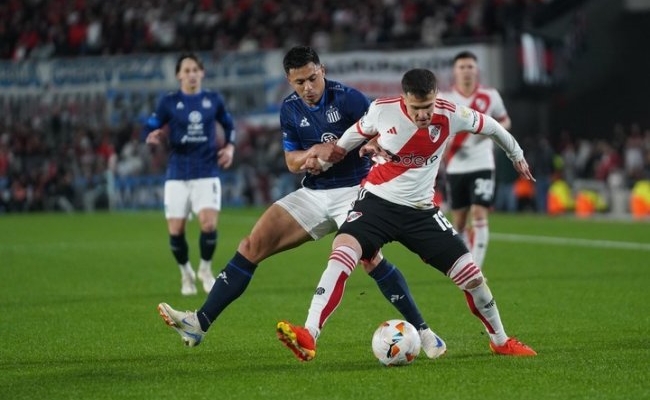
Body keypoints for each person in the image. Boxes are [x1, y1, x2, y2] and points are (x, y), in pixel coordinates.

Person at [156, 46, 446, 361]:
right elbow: (292, 162)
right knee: (252, 244)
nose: (307, 88)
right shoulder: (290, 108)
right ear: (289, 80)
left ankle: (426, 333)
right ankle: (200, 322)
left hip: (357, 191)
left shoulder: (349, 98)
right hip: (313, 194)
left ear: (322, 70)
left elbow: (381, 136)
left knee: (370, 259)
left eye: (312, 78)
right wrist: (312, 154)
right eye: (299, 82)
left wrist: (357, 148)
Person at [278, 68, 537, 359]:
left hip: (421, 213)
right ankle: (309, 334)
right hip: (376, 203)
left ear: (436, 98)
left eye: (427, 107)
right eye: (416, 108)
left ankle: (500, 340)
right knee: (343, 251)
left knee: (473, 278)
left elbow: (493, 127)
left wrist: (517, 156)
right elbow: (349, 139)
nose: (423, 114)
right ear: (404, 99)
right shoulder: (381, 110)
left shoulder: (452, 114)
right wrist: (326, 162)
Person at [142, 53, 236, 296]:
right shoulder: (169, 102)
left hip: (206, 170)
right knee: (176, 231)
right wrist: (151, 134)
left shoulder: (213, 99)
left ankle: (205, 269)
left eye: (195, 69)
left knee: (208, 224)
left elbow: (228, 124)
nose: (191, 74)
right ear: (178, 75)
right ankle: (185, 273)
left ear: (202, 72)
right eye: (187, 70)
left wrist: (230, 147)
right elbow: (151, 124)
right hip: (177, 173)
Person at [438, 51, 512, 269]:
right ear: (455, 71)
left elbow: (505, 121)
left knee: (479, 212)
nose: (466, 71)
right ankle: (464, 261)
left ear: (476, 70)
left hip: (482, 162)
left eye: (470, 66)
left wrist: (491, 131)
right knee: (459, 221)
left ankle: (475, 269)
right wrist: (445, 141)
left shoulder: (490, 96)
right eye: (462, 67)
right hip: (456, 165)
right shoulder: (444, 99)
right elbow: (437, 130)